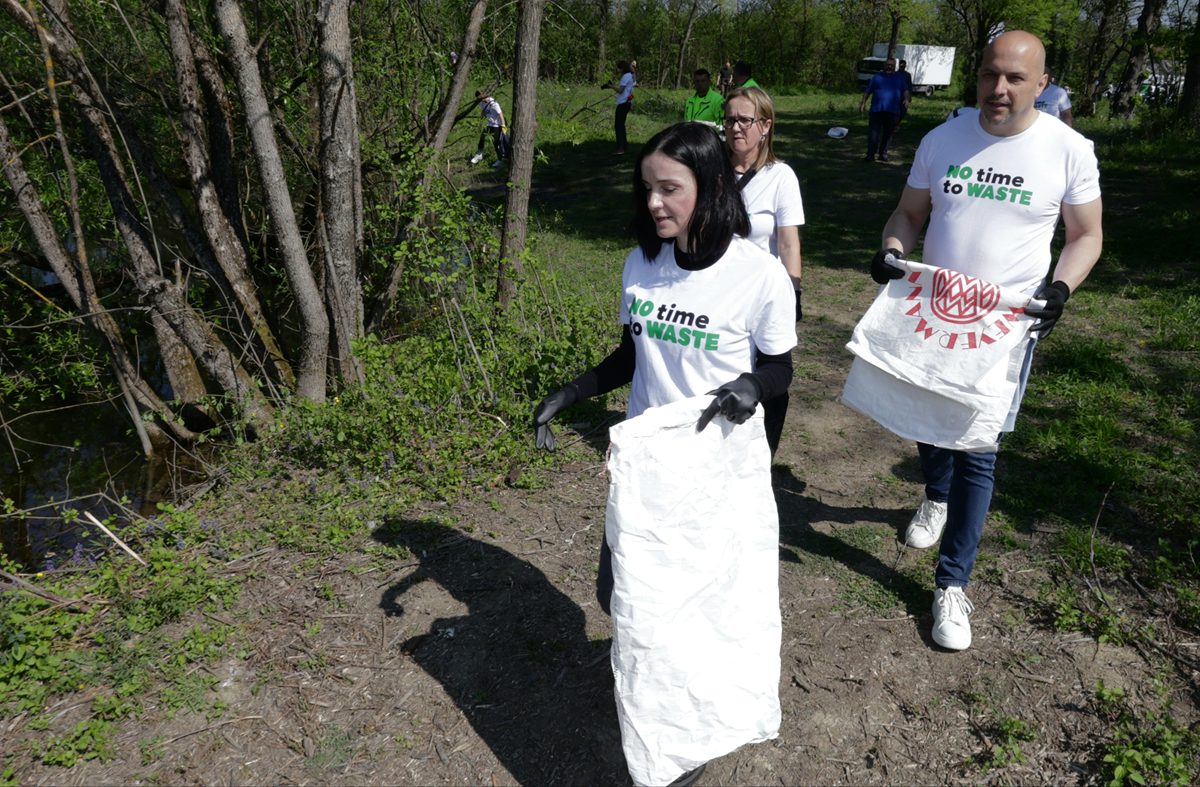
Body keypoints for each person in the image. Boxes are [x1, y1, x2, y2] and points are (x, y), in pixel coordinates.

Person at [533, 122, 796, 786]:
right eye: (648, 187)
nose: (654, 202)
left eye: (669, 188)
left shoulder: (758, 275)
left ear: (710, 188)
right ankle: (657, 690)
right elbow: (631, 355)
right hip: (646, 471)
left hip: (711, 474)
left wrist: (749, 386)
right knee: (614, 593)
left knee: (685, 613)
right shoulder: (641, 264)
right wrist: (571, 392)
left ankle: (681, 750)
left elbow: (781, 369)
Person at [871, 30, 1102, 651]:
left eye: (1015, 79)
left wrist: (1061, 288)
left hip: (1006, 327)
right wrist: (893, 248)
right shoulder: (942, 139)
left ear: (1043, 84)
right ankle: (935, 495)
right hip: (934, 314)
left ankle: (952, 584)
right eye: (989, 75)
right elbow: (909, 213)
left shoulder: (1068, 150)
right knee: (925, 415)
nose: (998, 89)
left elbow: (1086, 236)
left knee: (978, 448)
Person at [724, 85, 804, 455]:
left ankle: (762, 458)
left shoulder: (780, 176)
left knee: (770, 376)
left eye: (745, 119)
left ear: (766, 125)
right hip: (717, 289)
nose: (735, 127)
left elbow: (788, 243)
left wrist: (794, 291)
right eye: (730, 119)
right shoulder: (710, 170)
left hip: (762, 293)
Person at [859, 57, 909, 161]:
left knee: (888, 133)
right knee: (873, 133)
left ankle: (883, 153)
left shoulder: (899, 77)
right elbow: (868, 91)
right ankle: (870, 154)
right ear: (884, 65)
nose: (889, 66)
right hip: (876, 110)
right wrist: (863, 103)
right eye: (887, 64)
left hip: (892, 111)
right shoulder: (877, 77)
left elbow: (905, 90)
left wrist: (906, 99)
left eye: (891, 65)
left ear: (894, 67)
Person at [602, 61, 636, 155]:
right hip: (627, 102)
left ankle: (620, 148)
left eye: (620, 69)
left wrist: (611, 86)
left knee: (618, 126)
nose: (620, 71)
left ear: (623, 68)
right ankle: (624, 147)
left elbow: (620, 90)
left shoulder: (625, 76)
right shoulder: (631, 76)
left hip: (623, 103)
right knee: (621, 125)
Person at [470, 90, 510, 167]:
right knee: (482, 138)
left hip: (497, 125)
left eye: (480, 97)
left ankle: (500, 159)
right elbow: (483, 111)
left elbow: (500, 114)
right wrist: (480, 121)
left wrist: (503, 125)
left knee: (496, 142)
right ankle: (479, 154)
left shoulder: (494, 104)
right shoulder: (482, 103)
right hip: (489, 124)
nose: (480, 100)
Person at [894, 59, 914, 132]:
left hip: (904, 97)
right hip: (896, 96)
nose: (902, 67)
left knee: (903, 112)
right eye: (901, 66)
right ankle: (894, 125)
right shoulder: (895, 74)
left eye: (903, 66)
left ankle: (897, 123)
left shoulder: (907, 75)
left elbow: (910, 86)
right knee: (895, 111)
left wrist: (909, 96)